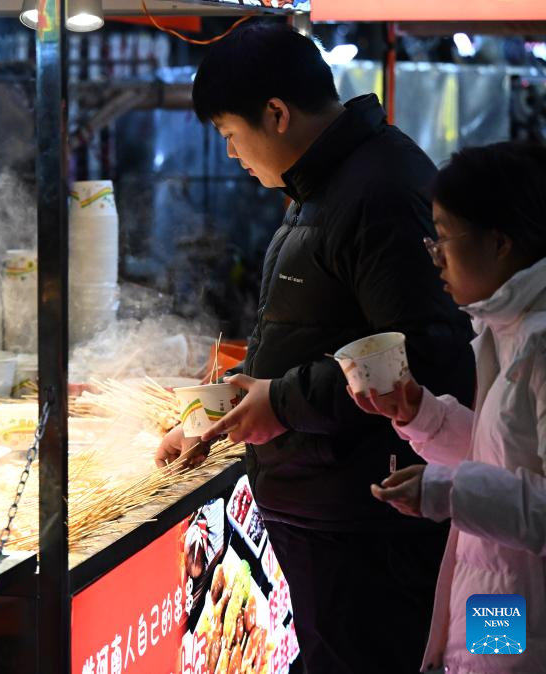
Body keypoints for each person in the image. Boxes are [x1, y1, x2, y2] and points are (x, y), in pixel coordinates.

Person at [155, 23, 476, 674]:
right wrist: (226, 406)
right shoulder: (324, 186)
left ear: (276, 114)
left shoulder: (379, 191)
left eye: (229, 134)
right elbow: (318, 333)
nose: (231, 154)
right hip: (328, 513)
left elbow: (426, 355)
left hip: (367, 522)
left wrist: (285, 400)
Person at [350, 142, 546, 672]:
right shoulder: (506, 330)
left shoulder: (541, 344)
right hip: (501, 594)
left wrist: (444, 491)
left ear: (500, 242)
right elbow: (505, 460)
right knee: (479, 661)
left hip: (533, 619)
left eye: (443, 239)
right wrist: (422, 415)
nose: (433, 256)